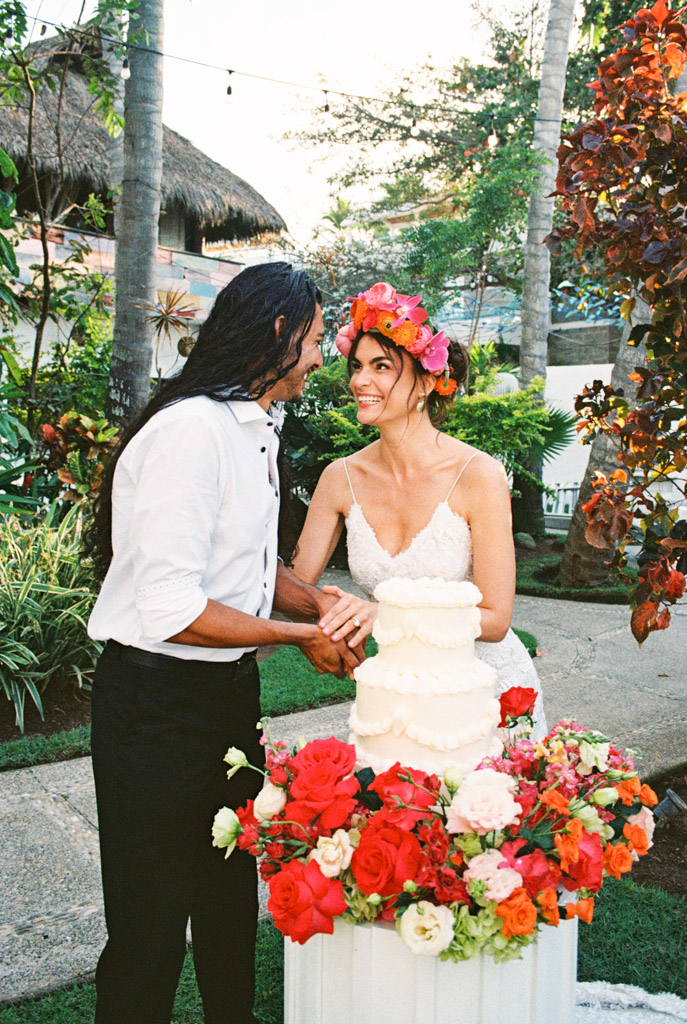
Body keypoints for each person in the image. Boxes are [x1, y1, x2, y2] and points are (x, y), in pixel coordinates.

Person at [85, 262, 363, 1024]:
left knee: (227, 906)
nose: (318, 357)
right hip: (155, 707)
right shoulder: (190, 431)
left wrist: (323, 602)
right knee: (149, 930)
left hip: (225, 699)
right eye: (312, 339)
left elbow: (244, 565)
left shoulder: (254, 428)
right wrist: (302, 634)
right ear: (277, 333)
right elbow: (175, 606)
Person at [292, 280, 546, 736]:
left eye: (381, 366)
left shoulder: (478, 475)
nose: (359, 381)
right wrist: (326, 618)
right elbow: (296, 590)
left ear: (427, 381)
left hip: (483, 690)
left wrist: (380, 615)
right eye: (357, 366)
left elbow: (494, 619)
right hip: (394, 689)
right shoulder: (339, 479)